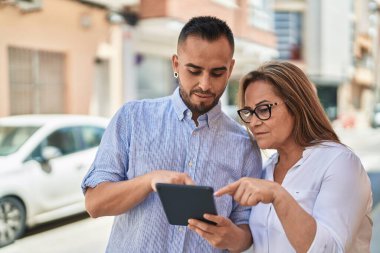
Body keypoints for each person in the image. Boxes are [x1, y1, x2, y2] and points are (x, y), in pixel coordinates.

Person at [81, 16, 262, 253]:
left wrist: (233, 238)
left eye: (217, 73)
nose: (205, 85)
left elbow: (246, 229)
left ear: (230, 69)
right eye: (194, 71)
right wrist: (149, 181)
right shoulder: (133, 118)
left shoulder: (244, 146)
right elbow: (95, 204)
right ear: (176, 64)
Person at [189, 61, 373, 252]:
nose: (253, 122)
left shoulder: (340, 163)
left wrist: (278, 195)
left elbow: (331, 249)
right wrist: (231, 237)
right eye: (249, 112)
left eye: (263, 109)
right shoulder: (266, 169)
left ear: (296, 105)